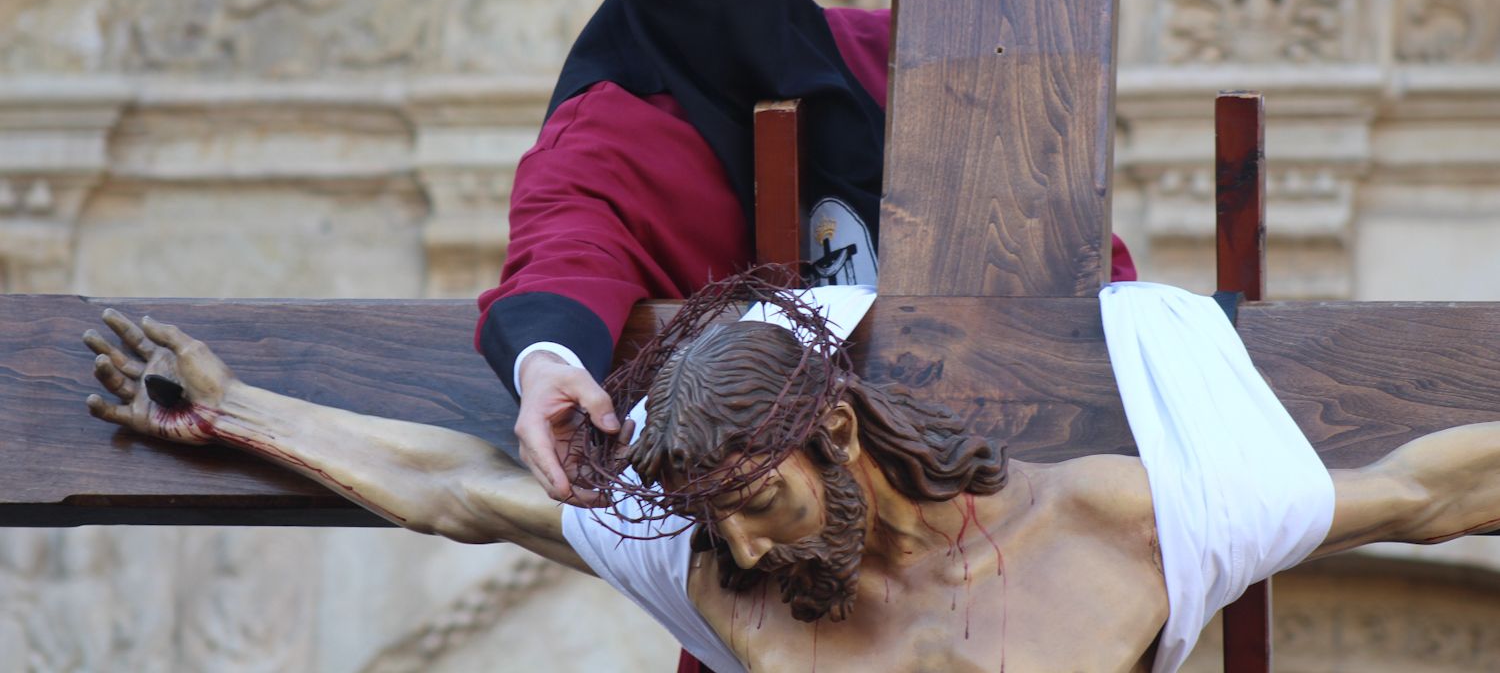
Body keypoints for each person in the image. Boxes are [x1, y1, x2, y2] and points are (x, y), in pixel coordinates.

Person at [84, 281, 1500, 673]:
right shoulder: (726, 585)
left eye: (759, 506)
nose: (748, 561)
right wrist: (240, 414)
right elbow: (465, 492)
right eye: (721, 526)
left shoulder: (1110, 525)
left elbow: (1420, 495)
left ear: (834, 438)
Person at [475, 0, 1138, 509]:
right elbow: (562, 251)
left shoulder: (908, 60)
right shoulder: (613, 129)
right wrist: (550, 364)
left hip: (1000, 495)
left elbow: (1059, 232)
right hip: (775, 540)